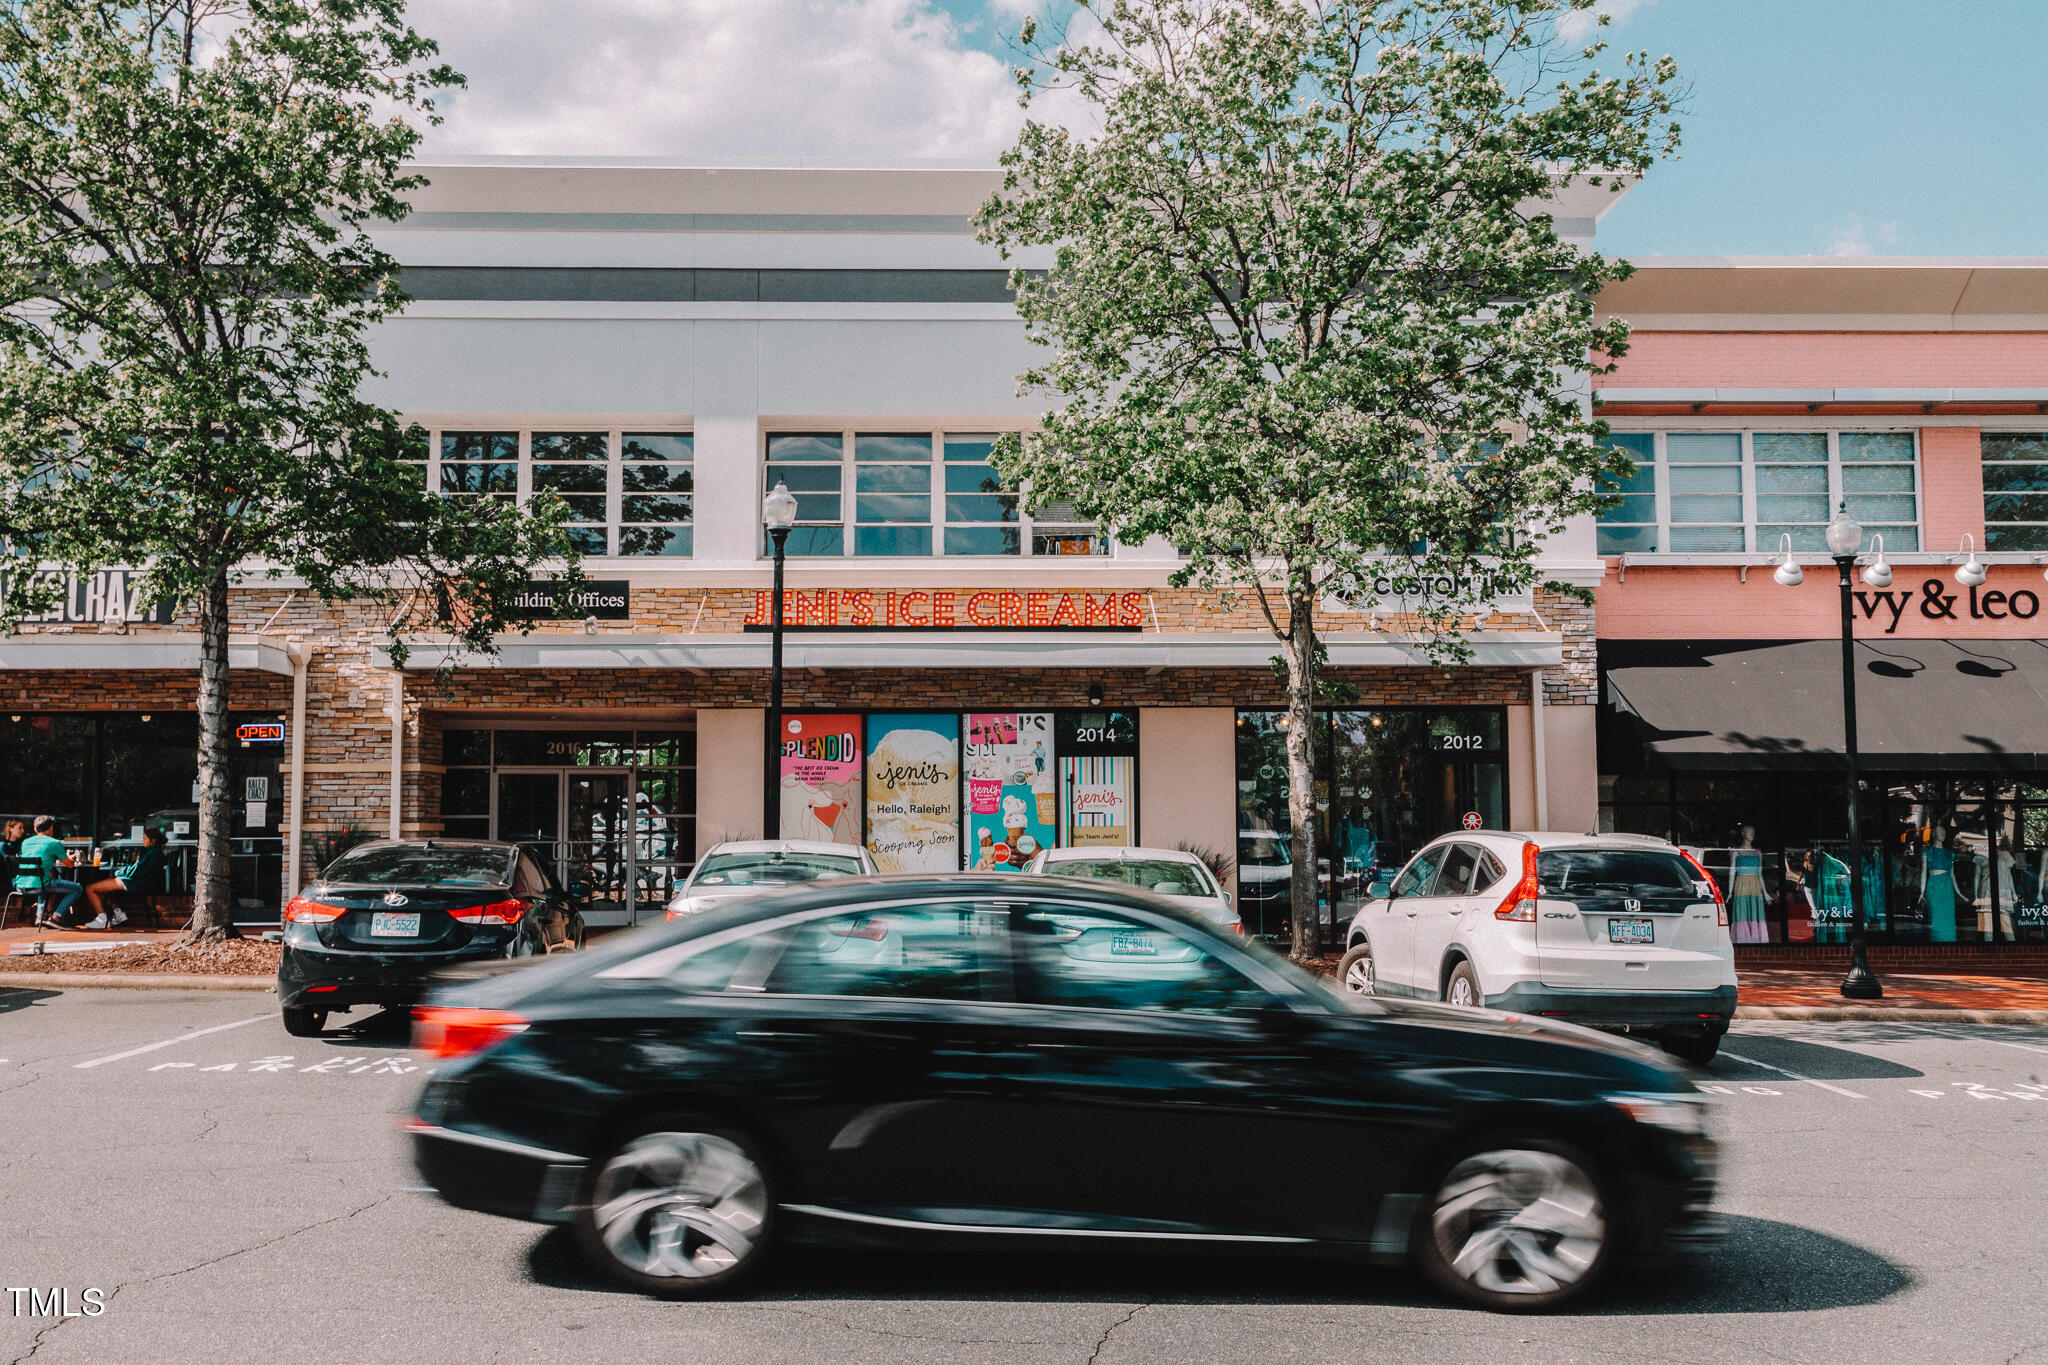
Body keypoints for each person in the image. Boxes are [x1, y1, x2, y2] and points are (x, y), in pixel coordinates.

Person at [82, 826, 167, 928]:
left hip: (133, 882)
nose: (142, 841)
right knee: (100, 890)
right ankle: (118, 914)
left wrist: (118, 873)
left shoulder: (153, 853)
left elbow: (136, 870)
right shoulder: (156, 853)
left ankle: (102, 919)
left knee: (90, 888)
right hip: (141, 882)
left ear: (153, 841)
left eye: (145, 839)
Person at [15, 816, 84, 928]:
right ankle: (56, 917)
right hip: (40, 885)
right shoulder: (54, 843)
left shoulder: (25, 843)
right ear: (51, 828)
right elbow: (70, 865)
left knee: (42, 879)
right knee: (77, 888)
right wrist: (74, 856)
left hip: (21, 884)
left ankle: (40, 916)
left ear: (35, 829)